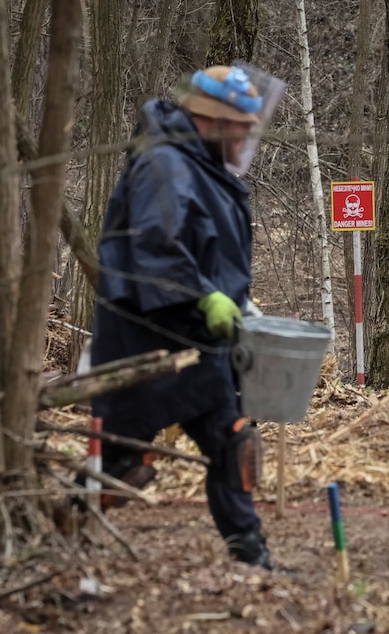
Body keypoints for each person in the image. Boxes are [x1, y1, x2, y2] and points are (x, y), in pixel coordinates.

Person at [85, 65, 278, 569]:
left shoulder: (201, 165)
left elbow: (207, 248)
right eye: (240, 124)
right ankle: (52, 534)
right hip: (145, 342)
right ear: (211, 119)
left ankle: (253, 559)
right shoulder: (165, 164)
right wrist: (205, 298)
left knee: (233, 442)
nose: (246, 135)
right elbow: (158, 246)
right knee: (118, 467)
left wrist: (235, 299)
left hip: (194, 342)